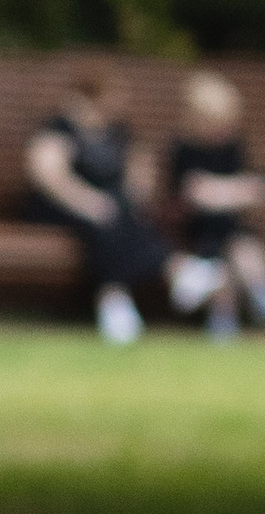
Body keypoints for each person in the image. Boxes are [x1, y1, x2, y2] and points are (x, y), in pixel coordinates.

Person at [22, 69, 166, 343]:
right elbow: (50, 178)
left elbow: (136, 181)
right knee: (102, 219)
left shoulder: (118, 132)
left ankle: (115, 296)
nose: (120, 102)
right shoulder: (60, 128)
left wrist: (138, 180)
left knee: (120, 215)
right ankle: (146, 281)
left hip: (109, 211)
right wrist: (88, 202)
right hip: (61, 206)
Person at [164, 72, 265, 335]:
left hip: (229, 224)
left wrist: (220, 193)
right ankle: (226, 311)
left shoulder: (233, 145)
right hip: (193, 228)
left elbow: (251, 189)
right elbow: (194, 193)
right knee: (220, 254)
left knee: (243, 245)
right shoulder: (181, 149)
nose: (223, 131)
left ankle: (262, 289)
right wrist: (232, 192)